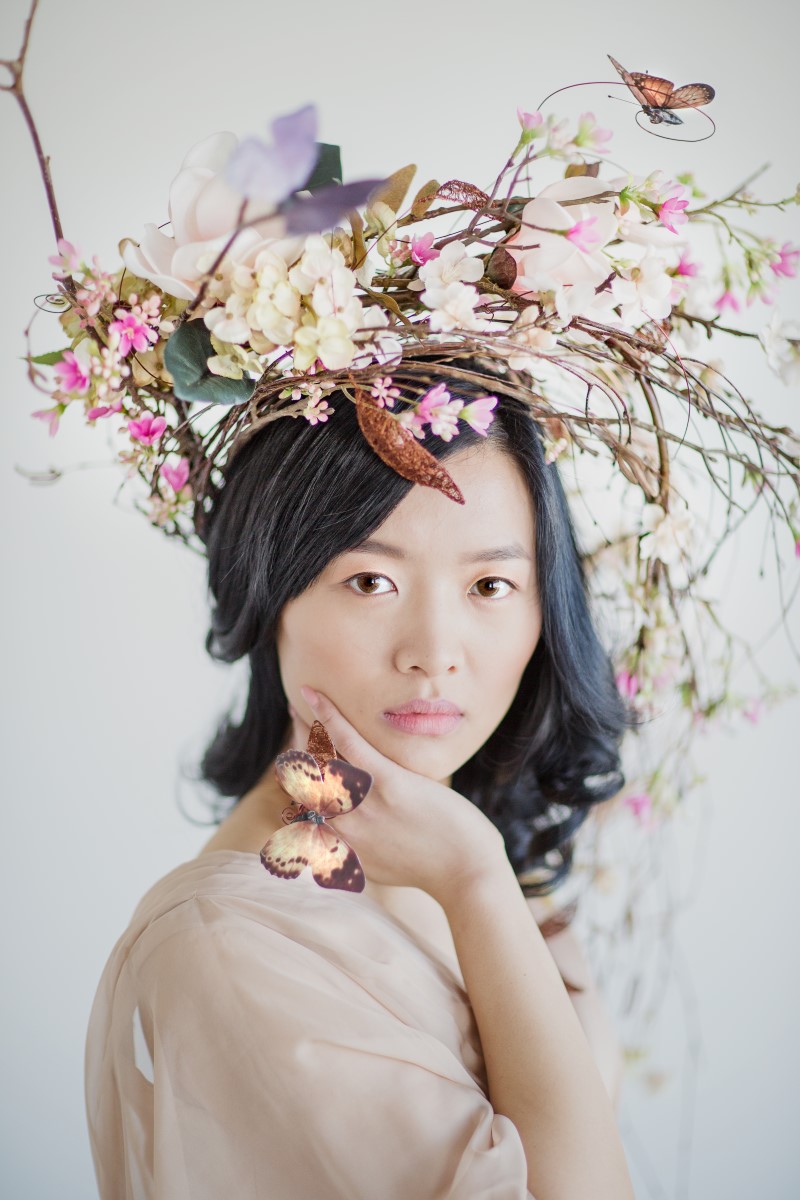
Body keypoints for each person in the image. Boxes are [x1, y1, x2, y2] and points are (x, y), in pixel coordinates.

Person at [84, 370, 637, 1199]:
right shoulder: (234, 945)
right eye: (371, 581)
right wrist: (475, 879)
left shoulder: (465, 841)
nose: (435, 651)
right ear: (272, 592)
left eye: (490, 586)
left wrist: (481, 875)